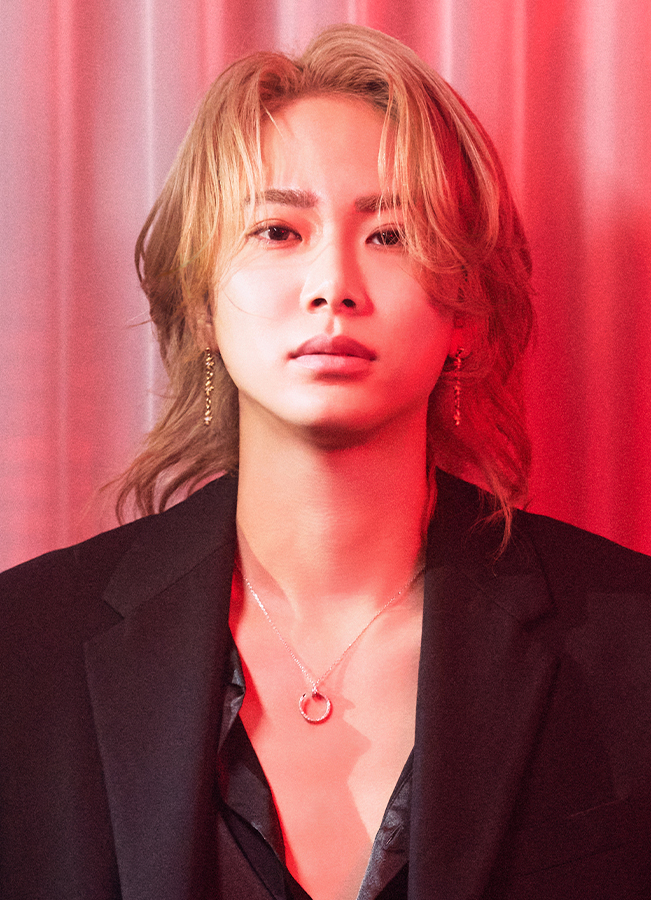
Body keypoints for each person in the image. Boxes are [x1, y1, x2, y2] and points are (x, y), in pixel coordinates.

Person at [1, 23, 650, 900]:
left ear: (463, 310)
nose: (332, 286)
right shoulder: (24, 648)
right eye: (277, 230)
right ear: (201, 302)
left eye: (390, 235)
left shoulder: (630, 640)